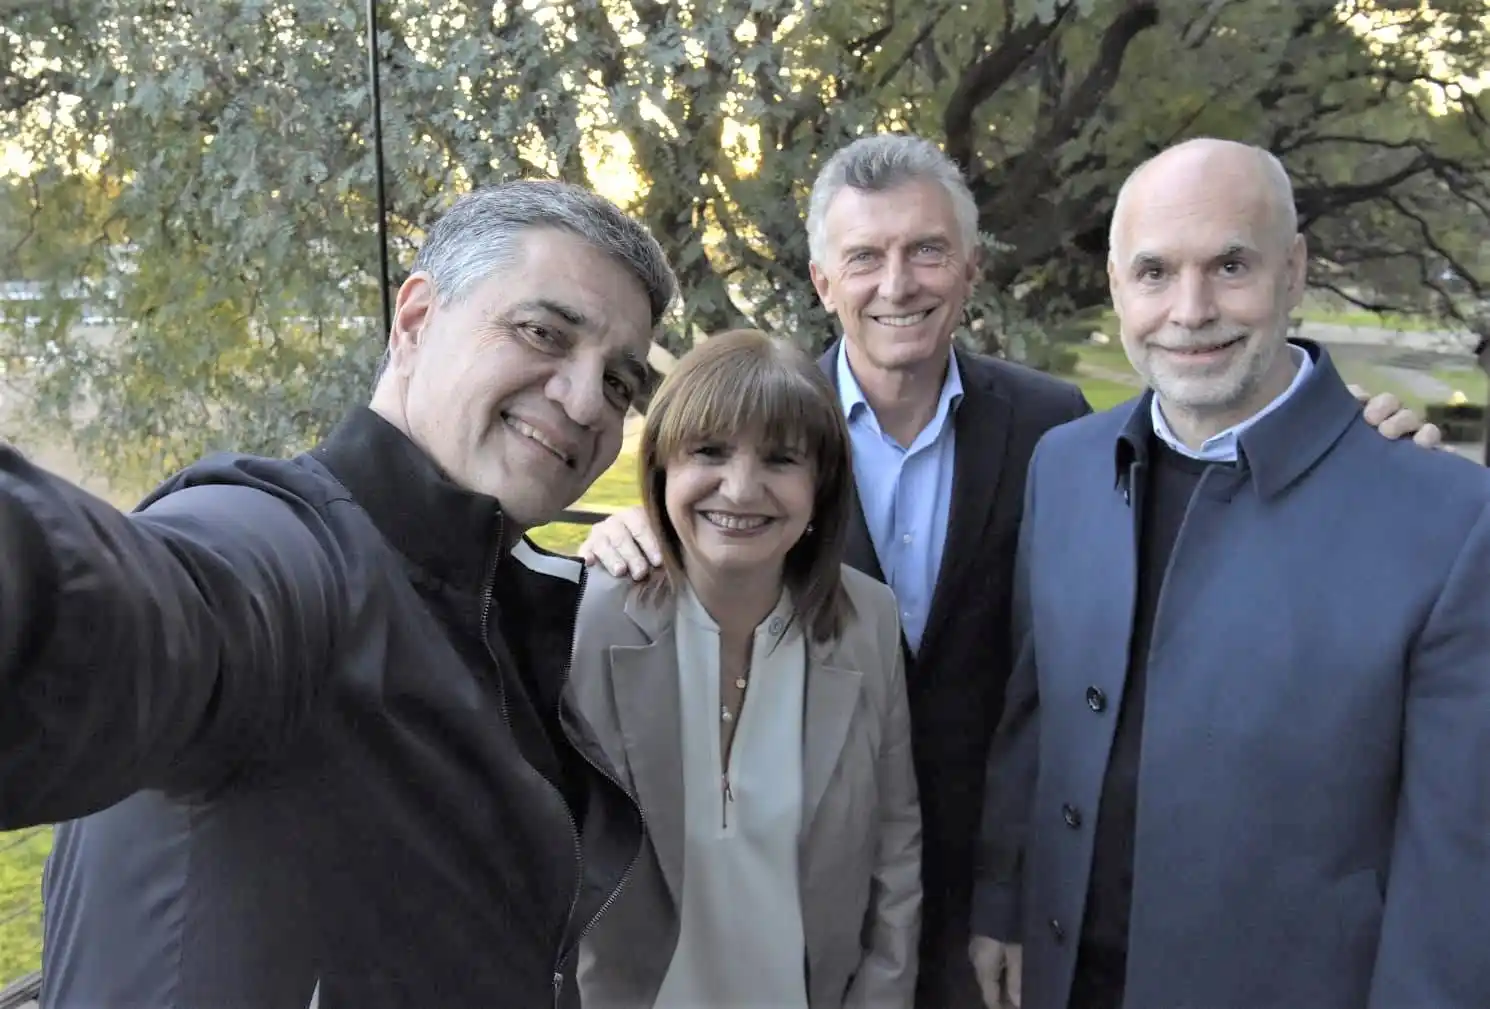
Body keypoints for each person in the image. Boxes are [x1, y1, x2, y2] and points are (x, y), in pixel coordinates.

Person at [576, 133, 1439, 1008]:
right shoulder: (773, 439)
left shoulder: (1053, 430)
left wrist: (1352, 447)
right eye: (865, 257)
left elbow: (1053, 681)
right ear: (822, 281)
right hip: (803, 891)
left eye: (927, 251)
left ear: (970, 267)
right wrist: (646, 526)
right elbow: (714, 518)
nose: (898, 282)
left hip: (994, 894)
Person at [0, 180, 676, 1008]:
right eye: (542, 332)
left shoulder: (497, 606)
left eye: (617, 382)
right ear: (416, 320)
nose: (583, 402)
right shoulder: (287, 550)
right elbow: (121, 612)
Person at [970, 138, 1490, 1009]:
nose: (1191, 308)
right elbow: (1038, 717)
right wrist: (1005, 900)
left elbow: (1459, 872)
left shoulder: (1447, 518)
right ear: (1114, 285)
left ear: (1294, 271)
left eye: (1231, 265)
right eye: (1154, 272)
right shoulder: (1064, 465)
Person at [569, 329, 921, 1008]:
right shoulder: (591, 617)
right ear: (663, 464)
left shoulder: (867, 620)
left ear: (821, 484)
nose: (741, 487)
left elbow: (895, 845)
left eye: (781, 458)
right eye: (709, 450)